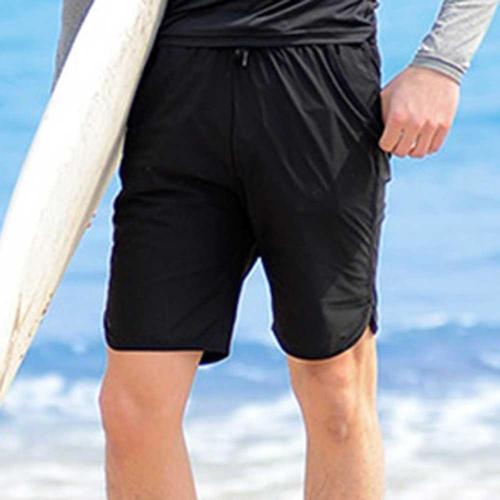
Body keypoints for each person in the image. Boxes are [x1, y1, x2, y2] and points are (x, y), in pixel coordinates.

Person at [52, 1, 498, 498]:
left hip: (318, 78)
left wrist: (441, 64)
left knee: (336, 391)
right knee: (131, 407)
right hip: (173, 98)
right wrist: (70, 141)